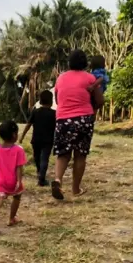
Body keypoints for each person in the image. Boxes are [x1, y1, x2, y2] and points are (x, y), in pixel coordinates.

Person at [51, 49, 104, 200]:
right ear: (85, 63)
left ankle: (57, 180)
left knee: (63, 154)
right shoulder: (90, 78)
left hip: (63, 119)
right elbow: (100, 101)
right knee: (80, 154)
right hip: (83, 119)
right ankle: (75, 189)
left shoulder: (61, 78)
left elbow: (58, 99)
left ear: (69, 62)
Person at [0, 120, 27, 236]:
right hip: (13, 181)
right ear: (14, 135)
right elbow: (19, 167)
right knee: (17, 197)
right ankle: (11, 218)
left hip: (0, 181)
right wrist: (19, 181)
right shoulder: (19, 150)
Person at [19, 90, 56, 186]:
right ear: (51, 101)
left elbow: (28, 125)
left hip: (36, 140)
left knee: (37, 158)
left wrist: (22, 136)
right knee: (44, 159)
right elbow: (58, 128)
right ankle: (42, 178)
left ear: (40, 101)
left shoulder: (35, 112)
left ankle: (40, 173)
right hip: (48, 141)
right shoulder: (54, 113)